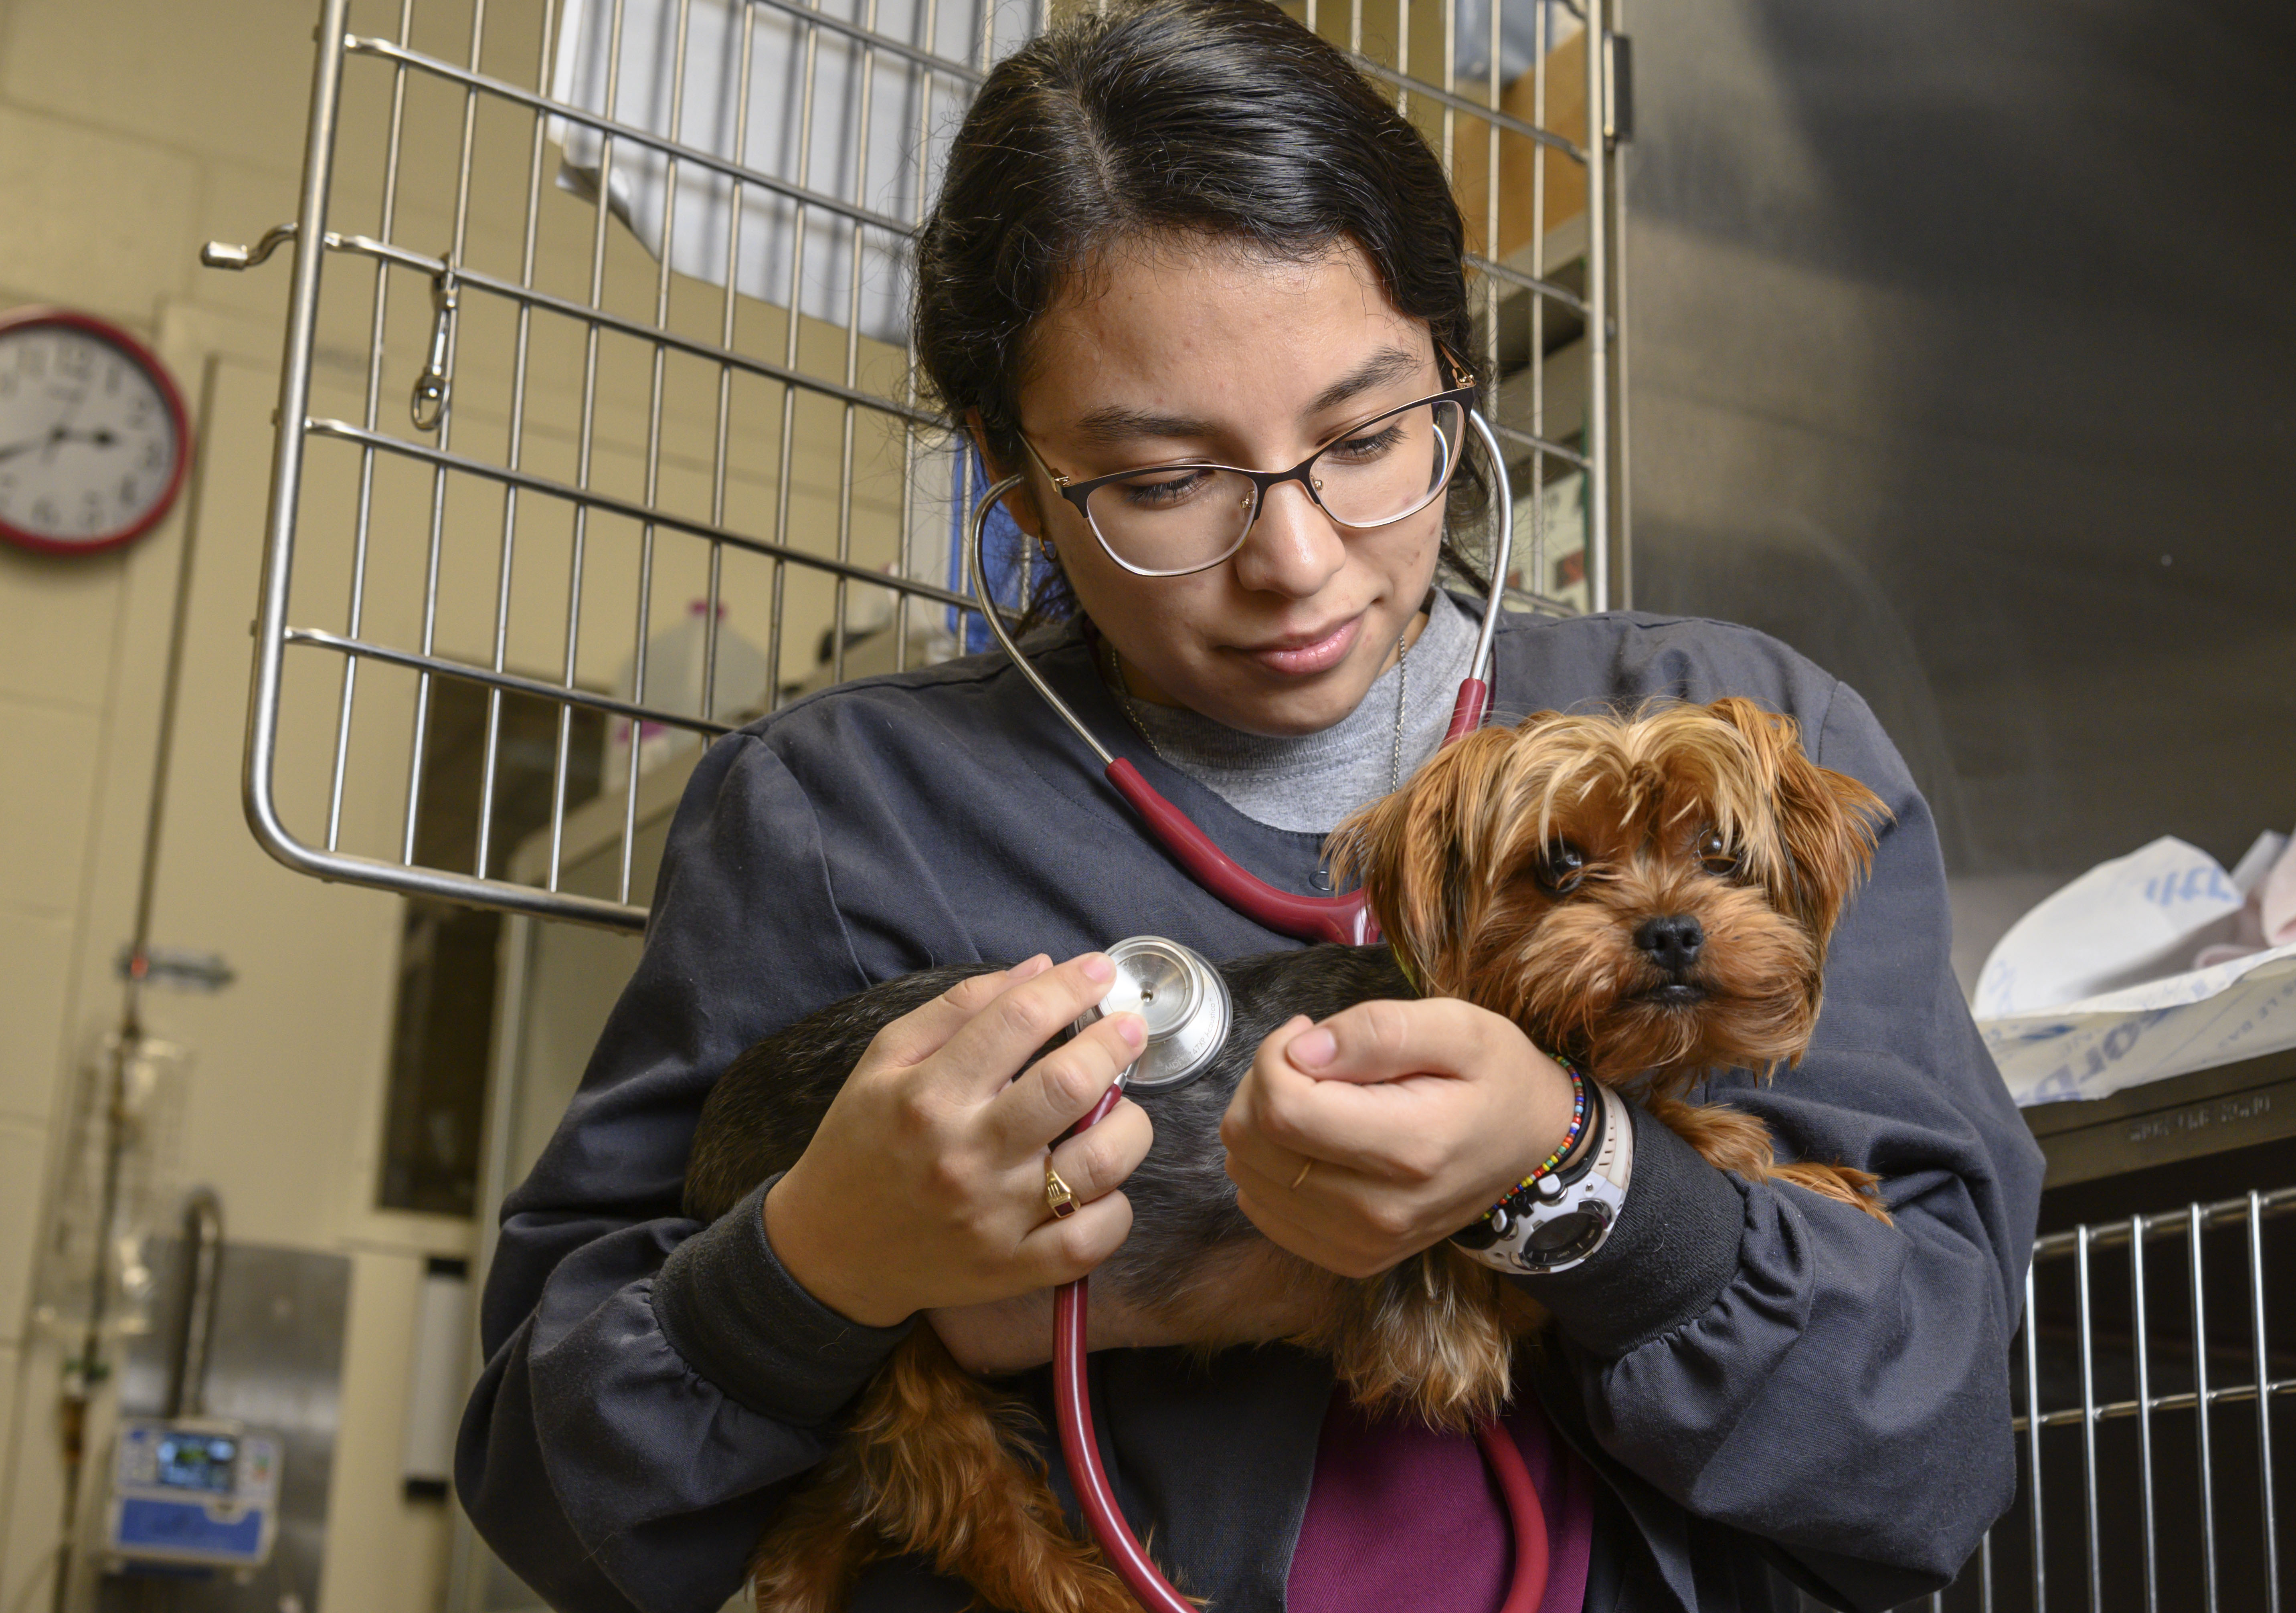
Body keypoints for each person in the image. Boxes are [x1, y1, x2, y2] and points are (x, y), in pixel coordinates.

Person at [457, 2, 2044, 1609]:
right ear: (1012, 486)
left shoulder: (1743, 745)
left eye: (1365, 438)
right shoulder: (834, 819)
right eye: (1162, 482)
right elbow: (549, 1494)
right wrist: (813, 1270)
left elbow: (1930, 1453)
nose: (1293, 559)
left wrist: (1594, 1186)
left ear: (1459, 376)